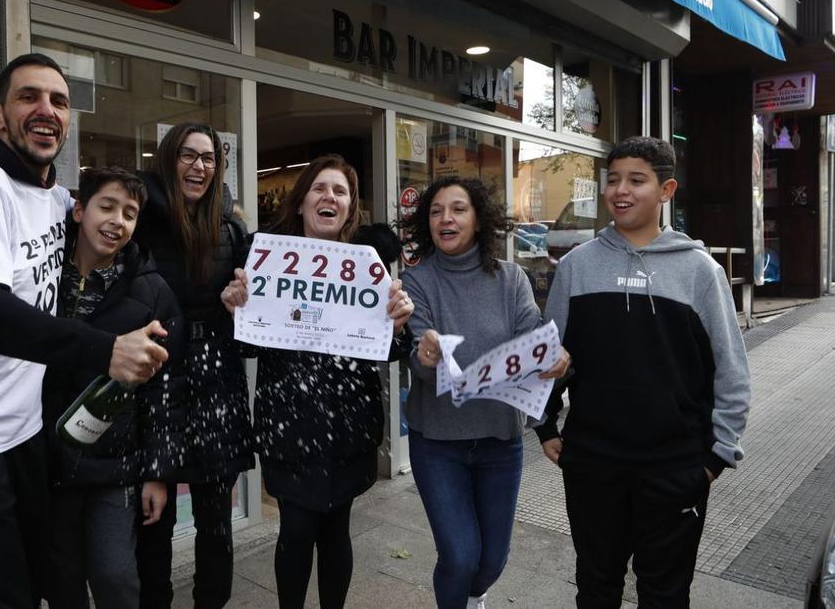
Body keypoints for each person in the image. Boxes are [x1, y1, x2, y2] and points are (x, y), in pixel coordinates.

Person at [0, 54, 168, 609]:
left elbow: (119, 218)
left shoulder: (49, 197)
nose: (46, 110)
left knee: (33, 586)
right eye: (29, 97)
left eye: (59, 101)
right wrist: (107, 349)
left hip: (19, 431)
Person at [535, 136, 751, 608]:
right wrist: (546, 423)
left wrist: (716, 457)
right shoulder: (576, 267)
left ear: (666, 189)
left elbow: (731, 369)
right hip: (592, 462)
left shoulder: (700, 271)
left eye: (637, 180)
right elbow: (547, 355)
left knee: (666, 594)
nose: (620, 191)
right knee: (595, 587)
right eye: (613, 180)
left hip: (676, 465)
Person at [220, 154, 415, 609]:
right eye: (320, 188)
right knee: (296, 529)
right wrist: (236, 310)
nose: (330, 197)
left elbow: (388, 352)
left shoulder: (369, 267)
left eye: (341, 191)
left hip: (350, 428)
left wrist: (399, 325)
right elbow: (247, 346)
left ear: (350, 208)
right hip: (288, 428)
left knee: (336, 530)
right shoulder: (265, 259)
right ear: (303, 199)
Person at [400, 177, 570, 609]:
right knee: (459, 556)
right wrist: (426, 354)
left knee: (492, 560)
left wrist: (555, 355)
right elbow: (419, 364)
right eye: (436, 211)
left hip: (499, 440)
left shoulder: (511, 278)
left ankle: (475, 598)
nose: (446, 219)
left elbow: (533, 340)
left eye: (458, 209)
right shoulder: (415, 280)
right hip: (437, 443)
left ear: (478, 219)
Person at [41, 166, 188, 608]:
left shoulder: (151, 292)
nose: (117, 221)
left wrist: (159, 473)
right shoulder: (41, 276)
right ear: (79, 211)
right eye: (106, 206)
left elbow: (169, 389)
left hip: (115, 467)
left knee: (116, 579)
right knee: (61, 584)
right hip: (46, 463)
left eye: (129, 213)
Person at [133, 121, 253, 609]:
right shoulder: (140, 219)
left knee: (214, 518)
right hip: (156, 379)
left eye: (208, 158)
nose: (198, 166)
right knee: (152, 518)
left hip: (216, 382)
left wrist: (236, 305)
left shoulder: (231, 224)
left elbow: (254, 313)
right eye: (187, 155)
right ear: (168, 158)